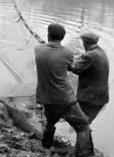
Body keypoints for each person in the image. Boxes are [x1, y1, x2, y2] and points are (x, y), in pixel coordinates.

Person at [34, 23, 90, 157]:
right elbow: (71, 66)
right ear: (62, 38)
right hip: (65, 99)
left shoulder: (38, 49)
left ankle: (45, 147)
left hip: (47, 98)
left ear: (48, 35)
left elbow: (48, 53)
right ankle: (81, 154)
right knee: (83, 126)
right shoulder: (68, 53)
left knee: (50, 122)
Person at [69, 32, 109, 156]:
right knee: (84, 123)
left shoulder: (90, 55)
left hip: (90, 98)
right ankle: (89, 151)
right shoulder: (101, 52)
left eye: (83, 42)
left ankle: (80, 153)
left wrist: (65, 62)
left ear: (85, 43)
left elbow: (76, 69)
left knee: (81, 125)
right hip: (100, 97)